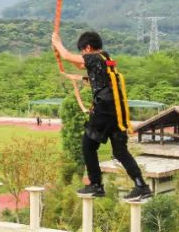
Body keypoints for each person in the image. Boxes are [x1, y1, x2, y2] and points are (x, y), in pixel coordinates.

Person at [52, 30, 152, 202]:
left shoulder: (94, 57)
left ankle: (96, 184)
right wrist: (61, 51)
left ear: (88, 48)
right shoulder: (105, 58)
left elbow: (68, 56)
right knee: (120, 152)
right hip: (117, 111)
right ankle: (141, 186)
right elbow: (80, 65)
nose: (83, 56)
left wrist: (57, 43)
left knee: (88, 145)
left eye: (83, 52)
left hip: (105, 109)